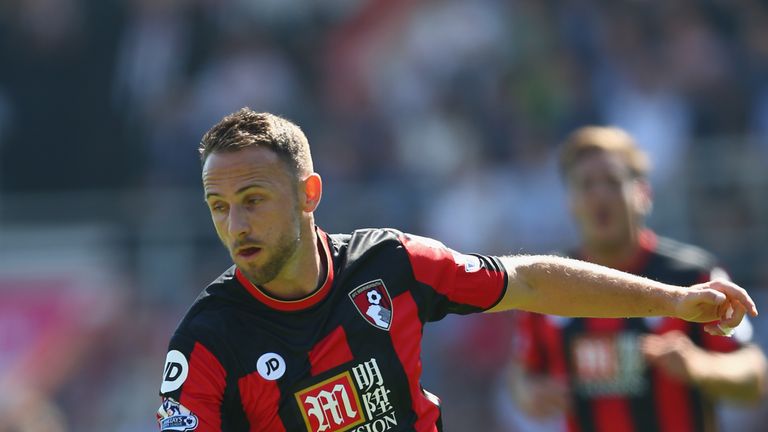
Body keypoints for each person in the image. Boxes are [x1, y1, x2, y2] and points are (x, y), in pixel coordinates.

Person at [156, 109, 757, 432]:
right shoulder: (207, 343)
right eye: (219, 207)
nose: (235, 224)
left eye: (254, 199)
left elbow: (528, 281)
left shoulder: (390, 265)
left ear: (310, 193)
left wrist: (674, 303)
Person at [507, 126, 767, 432]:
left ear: (643, 193)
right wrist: (528, 393)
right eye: (586, 184)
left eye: (613, 182)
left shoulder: (693, 275)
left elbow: (754, 378)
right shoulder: (548, 281)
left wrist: (701, 366)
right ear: (570, 201)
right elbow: (522, 373)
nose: (599, 195)